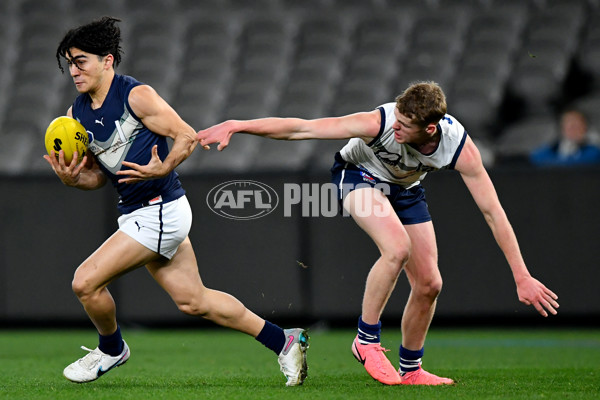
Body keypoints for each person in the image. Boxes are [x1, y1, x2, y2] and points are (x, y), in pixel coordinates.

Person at [197, 81, 559, 385]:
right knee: (396, 247)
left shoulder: (458, 147)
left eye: (405, 124)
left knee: (430, 283)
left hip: (406, 189)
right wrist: (238, 124)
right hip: (358, 175)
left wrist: (521, 275)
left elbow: (492, 212)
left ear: (430, 129)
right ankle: (366, 341)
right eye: (396, 118)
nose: (396, 127)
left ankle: (412, 368)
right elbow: (301, 128)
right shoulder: (379, 122)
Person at [44, 17, 308, 386]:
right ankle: (284, 340)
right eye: (69, 62)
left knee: (85, 282)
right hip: (140, 214)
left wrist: (162, 167)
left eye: (81, 60)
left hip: (161, 208)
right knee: (194, 301)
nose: (73, 70)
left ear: (107, 61)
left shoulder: (136, 96)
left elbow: (186, 135)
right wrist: (72, 179)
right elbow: (99, 178)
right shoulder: (77, 115)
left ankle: (111, 348)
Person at [530, 109, 600, 166]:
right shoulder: (550, 149)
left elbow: (587, 161)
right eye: (569, 125)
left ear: (585, 128)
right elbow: (536, 158)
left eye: (577, 125)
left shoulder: (594, 151)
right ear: (561, 128)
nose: (573, 129)